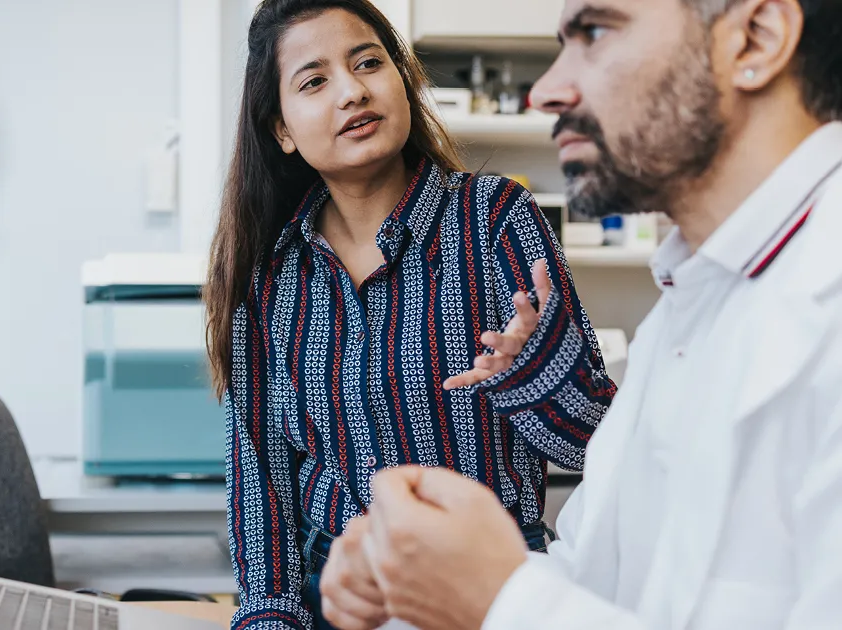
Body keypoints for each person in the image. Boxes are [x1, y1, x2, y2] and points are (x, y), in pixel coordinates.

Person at [318, 0, 842, 629]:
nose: (546, 91)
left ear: (755, 39)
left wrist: (500, 600)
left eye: (595, 32)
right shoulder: (683, 314)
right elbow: (590, 573)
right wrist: (414, 579)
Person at [202, 1, 618, 628]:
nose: (352, 91)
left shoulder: (495, 219)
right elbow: (262, 485)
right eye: (314, 81)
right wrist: (269, 618)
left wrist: (531, 372)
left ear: (403, 78)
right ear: (282, 129)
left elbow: (598, 451)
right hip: (338, 601)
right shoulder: (269, 277)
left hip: (485, 591)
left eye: (369, 63)